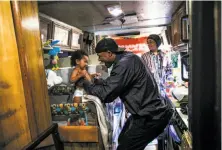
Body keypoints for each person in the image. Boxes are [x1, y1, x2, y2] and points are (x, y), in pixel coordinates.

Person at [82, 38, 173, 150]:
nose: (100, 60)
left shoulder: (123, 64)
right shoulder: (128, 58)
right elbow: (116, 83)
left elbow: (106, 95)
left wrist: (86, 83)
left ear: (109, 53)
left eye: (100, 56)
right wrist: (97, 82)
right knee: (122, 139)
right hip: (146, 114)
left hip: (150, 117)